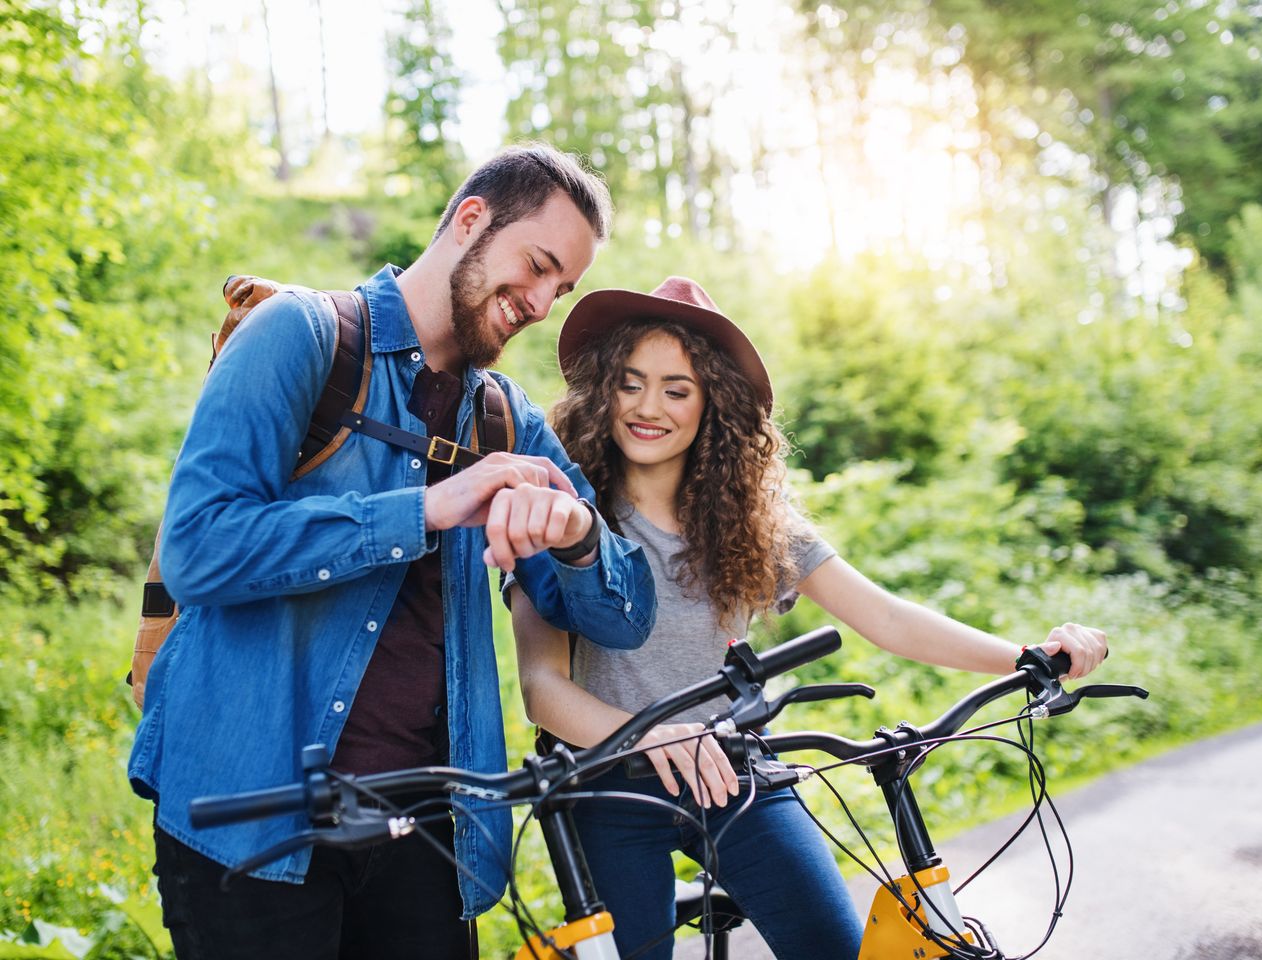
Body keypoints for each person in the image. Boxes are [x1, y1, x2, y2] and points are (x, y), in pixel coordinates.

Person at [128, 145, 657, 960]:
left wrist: (580, 538)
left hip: (428, 834)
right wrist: (422, 510)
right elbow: (199, 547)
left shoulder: (505, 419)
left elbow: (626, 614)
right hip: (251, 821)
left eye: (565, 287)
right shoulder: (298, 337)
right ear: (471, 220)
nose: (545, 302)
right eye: (539, 265)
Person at [510, 276, 1109, 960]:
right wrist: (650, 736)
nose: (650, 407)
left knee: (834, 946)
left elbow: (886, 617)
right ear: (603, 390)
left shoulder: (749, 522)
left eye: (677, 389)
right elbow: (542, 688)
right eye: (630, 382)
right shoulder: (560, 514)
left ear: (712, 406)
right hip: (610, 787)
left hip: (735, 774)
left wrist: (1028, 655)